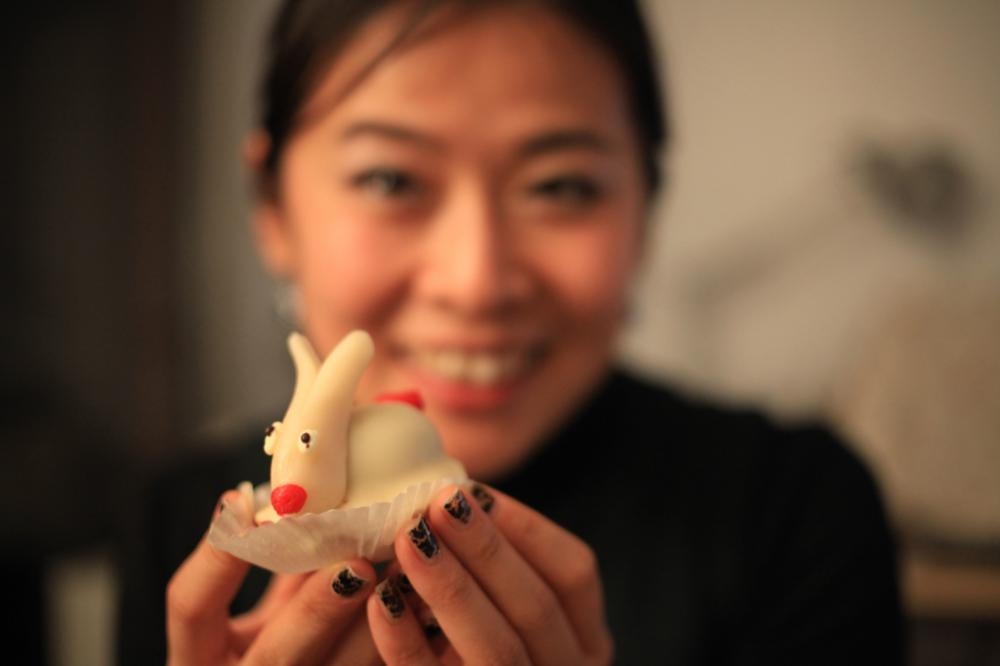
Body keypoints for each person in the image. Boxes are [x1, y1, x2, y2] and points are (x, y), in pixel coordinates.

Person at [117, 1, 904, 663]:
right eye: (389, 179)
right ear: (272, 211)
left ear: (645, 213)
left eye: (560, 186)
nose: (477, 282)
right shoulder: (183, 528)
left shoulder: (796, 511)